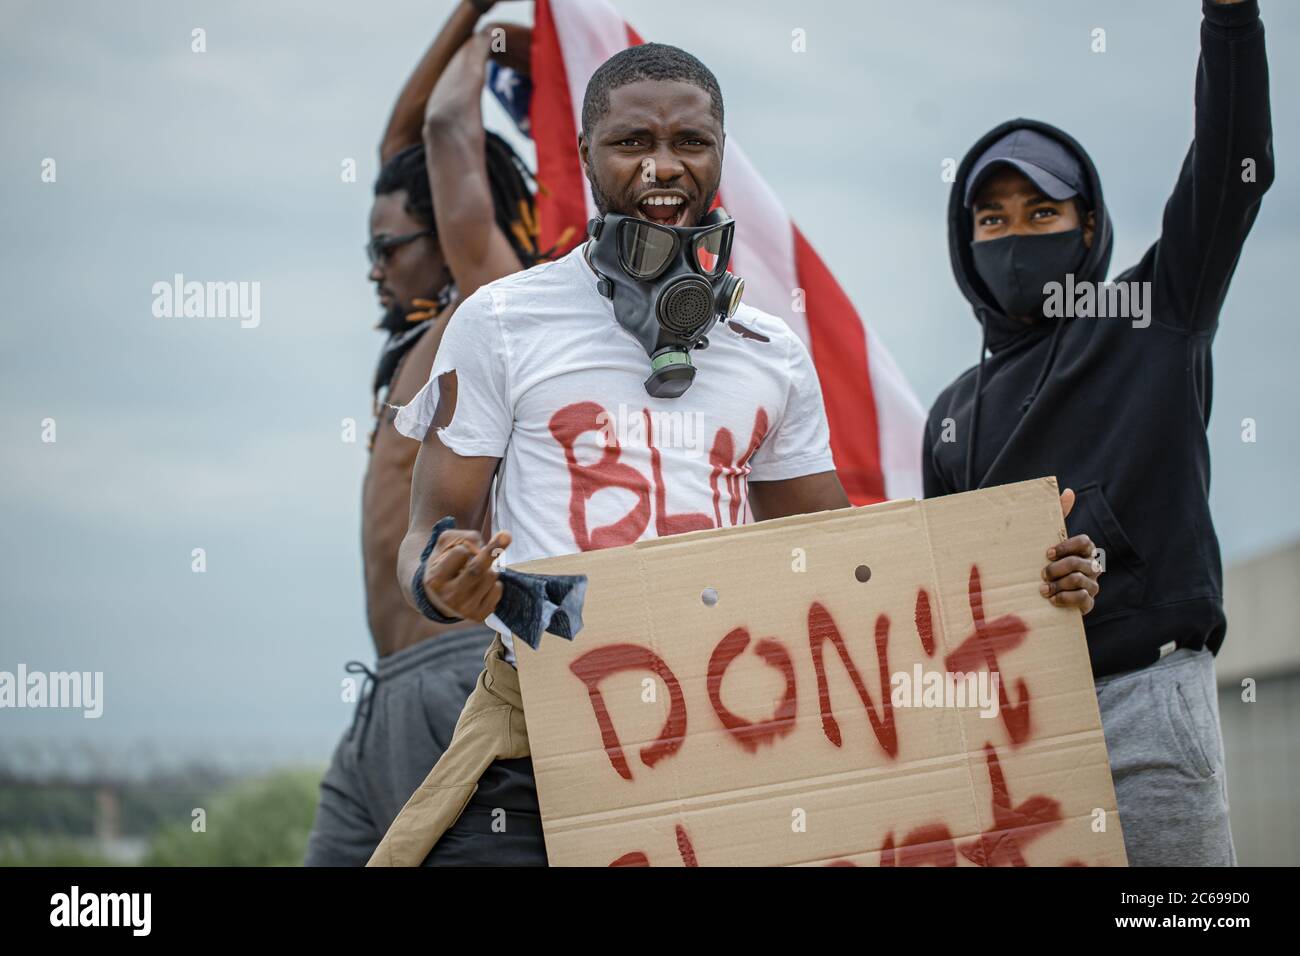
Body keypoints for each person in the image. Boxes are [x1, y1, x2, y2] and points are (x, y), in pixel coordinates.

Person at [368, 41, 1101, 866]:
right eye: (631, 142)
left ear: (720, 153)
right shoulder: (503, 321)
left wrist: (1021, 578)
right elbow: (429, 533)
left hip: (721, 731)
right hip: (544, 725)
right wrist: (441, 576)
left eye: (690, 142)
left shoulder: (771, 351)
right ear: (584, 155)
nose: (663, 166)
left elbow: (845, 561)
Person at [923, 0, 1272, 865]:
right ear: (967, 246)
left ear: (1088, 229)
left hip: (1150, 698)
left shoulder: (1155, 314)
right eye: (991, 219)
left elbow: (1236, 169)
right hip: (1016, 716)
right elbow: (950, 602)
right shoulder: (950, 414)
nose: (1014, 235)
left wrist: (1230, 20)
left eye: (1043, 212)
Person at [305, 0, 548, 866]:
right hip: (386, 699)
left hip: (457, 678)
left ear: (445, 234)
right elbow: (404, 145)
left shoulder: (494, 302)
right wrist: (473, 11)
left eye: (389, 248)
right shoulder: (421, 336)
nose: (374, 268)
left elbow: (447, 123)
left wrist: (496, 42)